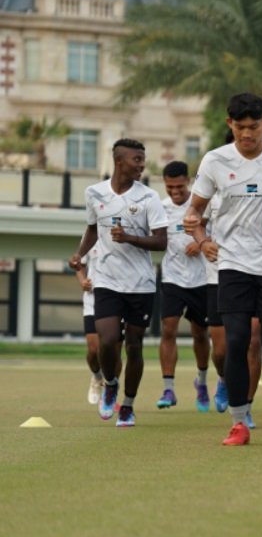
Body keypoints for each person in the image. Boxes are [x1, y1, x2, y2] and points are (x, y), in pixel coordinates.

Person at [186, 93, 262, 446]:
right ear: (230, 125)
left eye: (253, 127)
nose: (246, 135)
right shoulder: (214, 161)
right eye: (240, 128)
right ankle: (239, 423)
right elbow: (195, 212)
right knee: (236, 341)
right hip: (233, 263)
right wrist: (202, 237)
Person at [70, 139, 168, 427]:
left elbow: (162, 241)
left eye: (143, 159)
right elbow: (92, 228)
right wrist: (80, 254)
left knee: (134, 346)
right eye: (137, 159)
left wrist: (131, 238)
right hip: (107, 281)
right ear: (119, 161)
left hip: (140, 285)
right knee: (108, 340)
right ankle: (111, 383)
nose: (141, 165)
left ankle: (127, 405)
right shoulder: (94, 193)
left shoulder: (149, 197)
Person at [155, 161, 211, 412]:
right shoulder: (159, 209)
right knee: (168, 329)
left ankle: (201, 381)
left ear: (188, 181)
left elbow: (217, 232)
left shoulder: (201, 205)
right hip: (172, 278)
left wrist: (200, 243)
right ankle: (168, 388)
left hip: (201, 279)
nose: (175, 191)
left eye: (179, 186)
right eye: (169, 187)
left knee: (200, 333)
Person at [75, 245, 120, 405]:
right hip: (93, 300)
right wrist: (82, 280)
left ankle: (110, 391)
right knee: (94, 349)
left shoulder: (122, 236)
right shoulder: (91, 239)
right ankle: (97, 376)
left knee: (114, 349)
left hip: (118, 298)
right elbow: (78, 263)